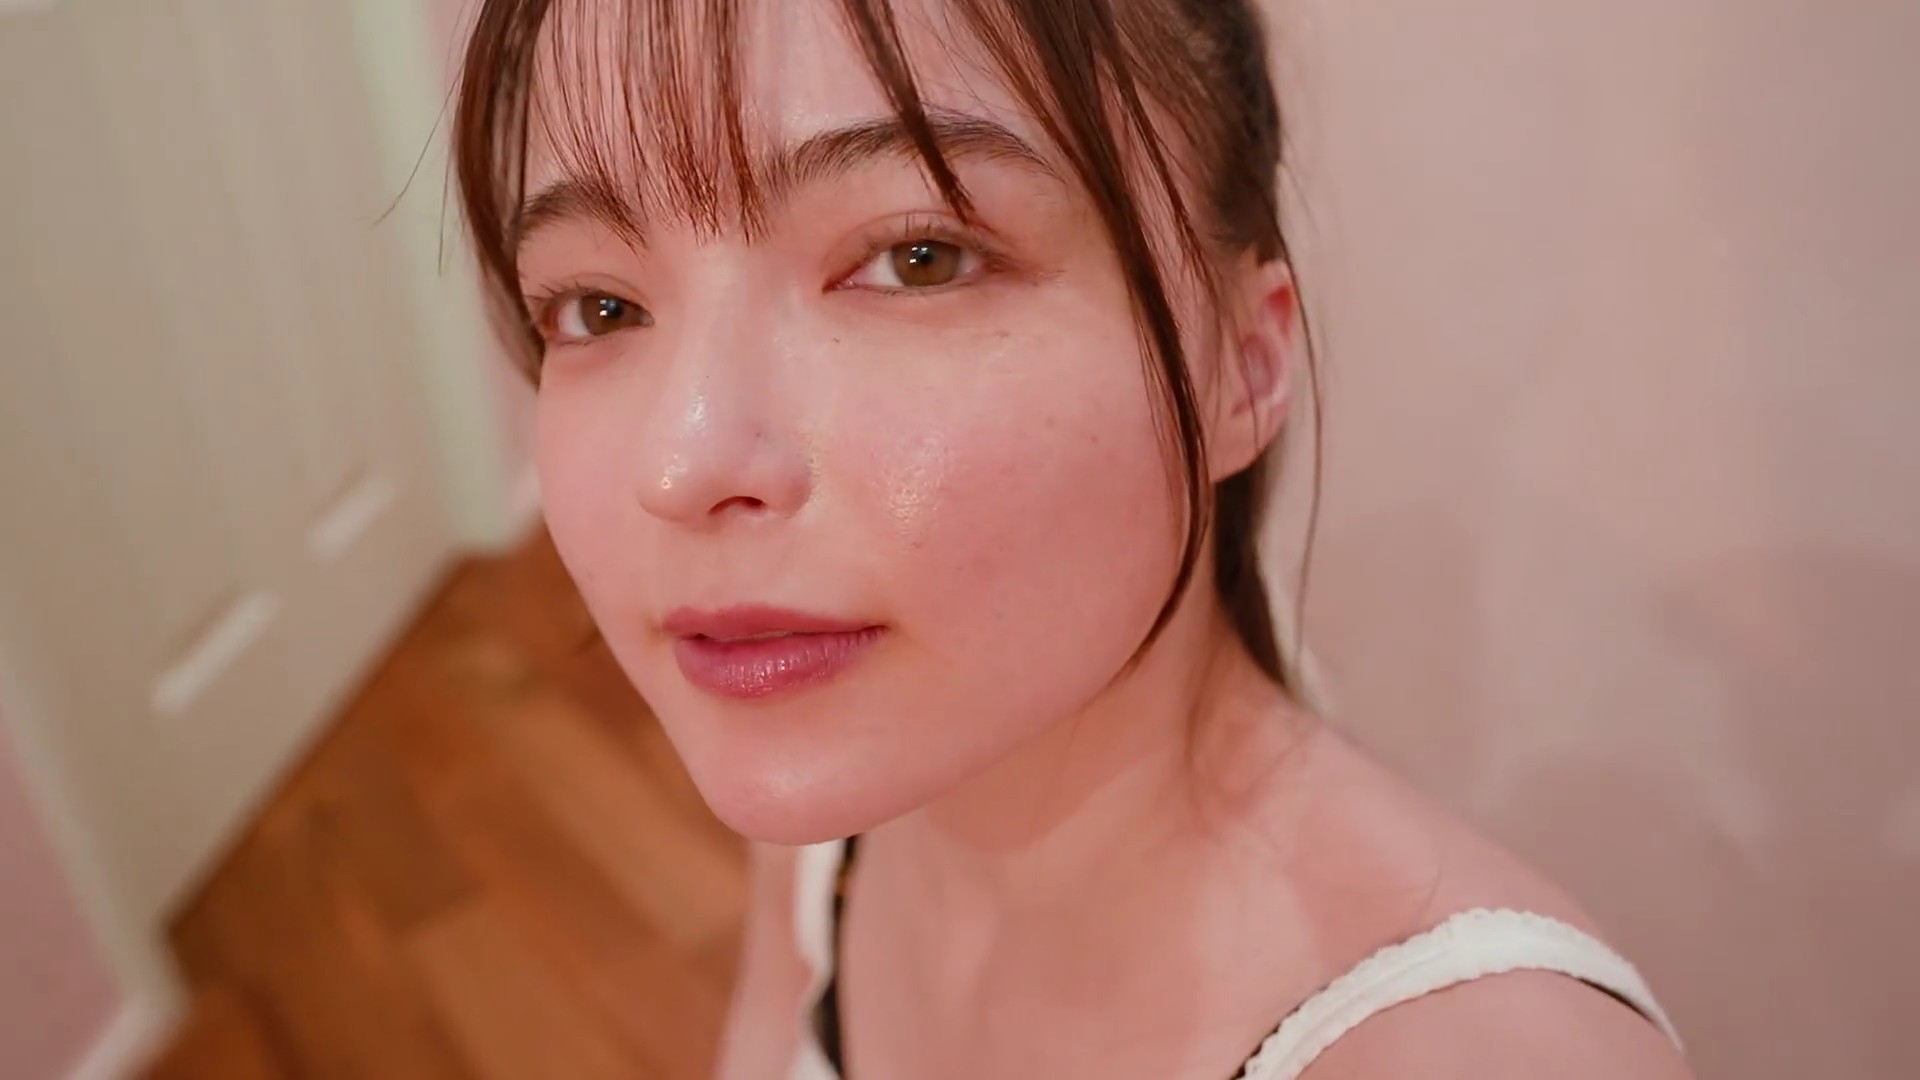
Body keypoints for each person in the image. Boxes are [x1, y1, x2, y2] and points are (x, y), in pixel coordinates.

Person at [450, 1, 1694, 1076]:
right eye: (599, 306)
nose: (680, 465)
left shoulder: (1482, 1057)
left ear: (1244, 362)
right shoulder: (842, 802)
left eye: (917, 258)